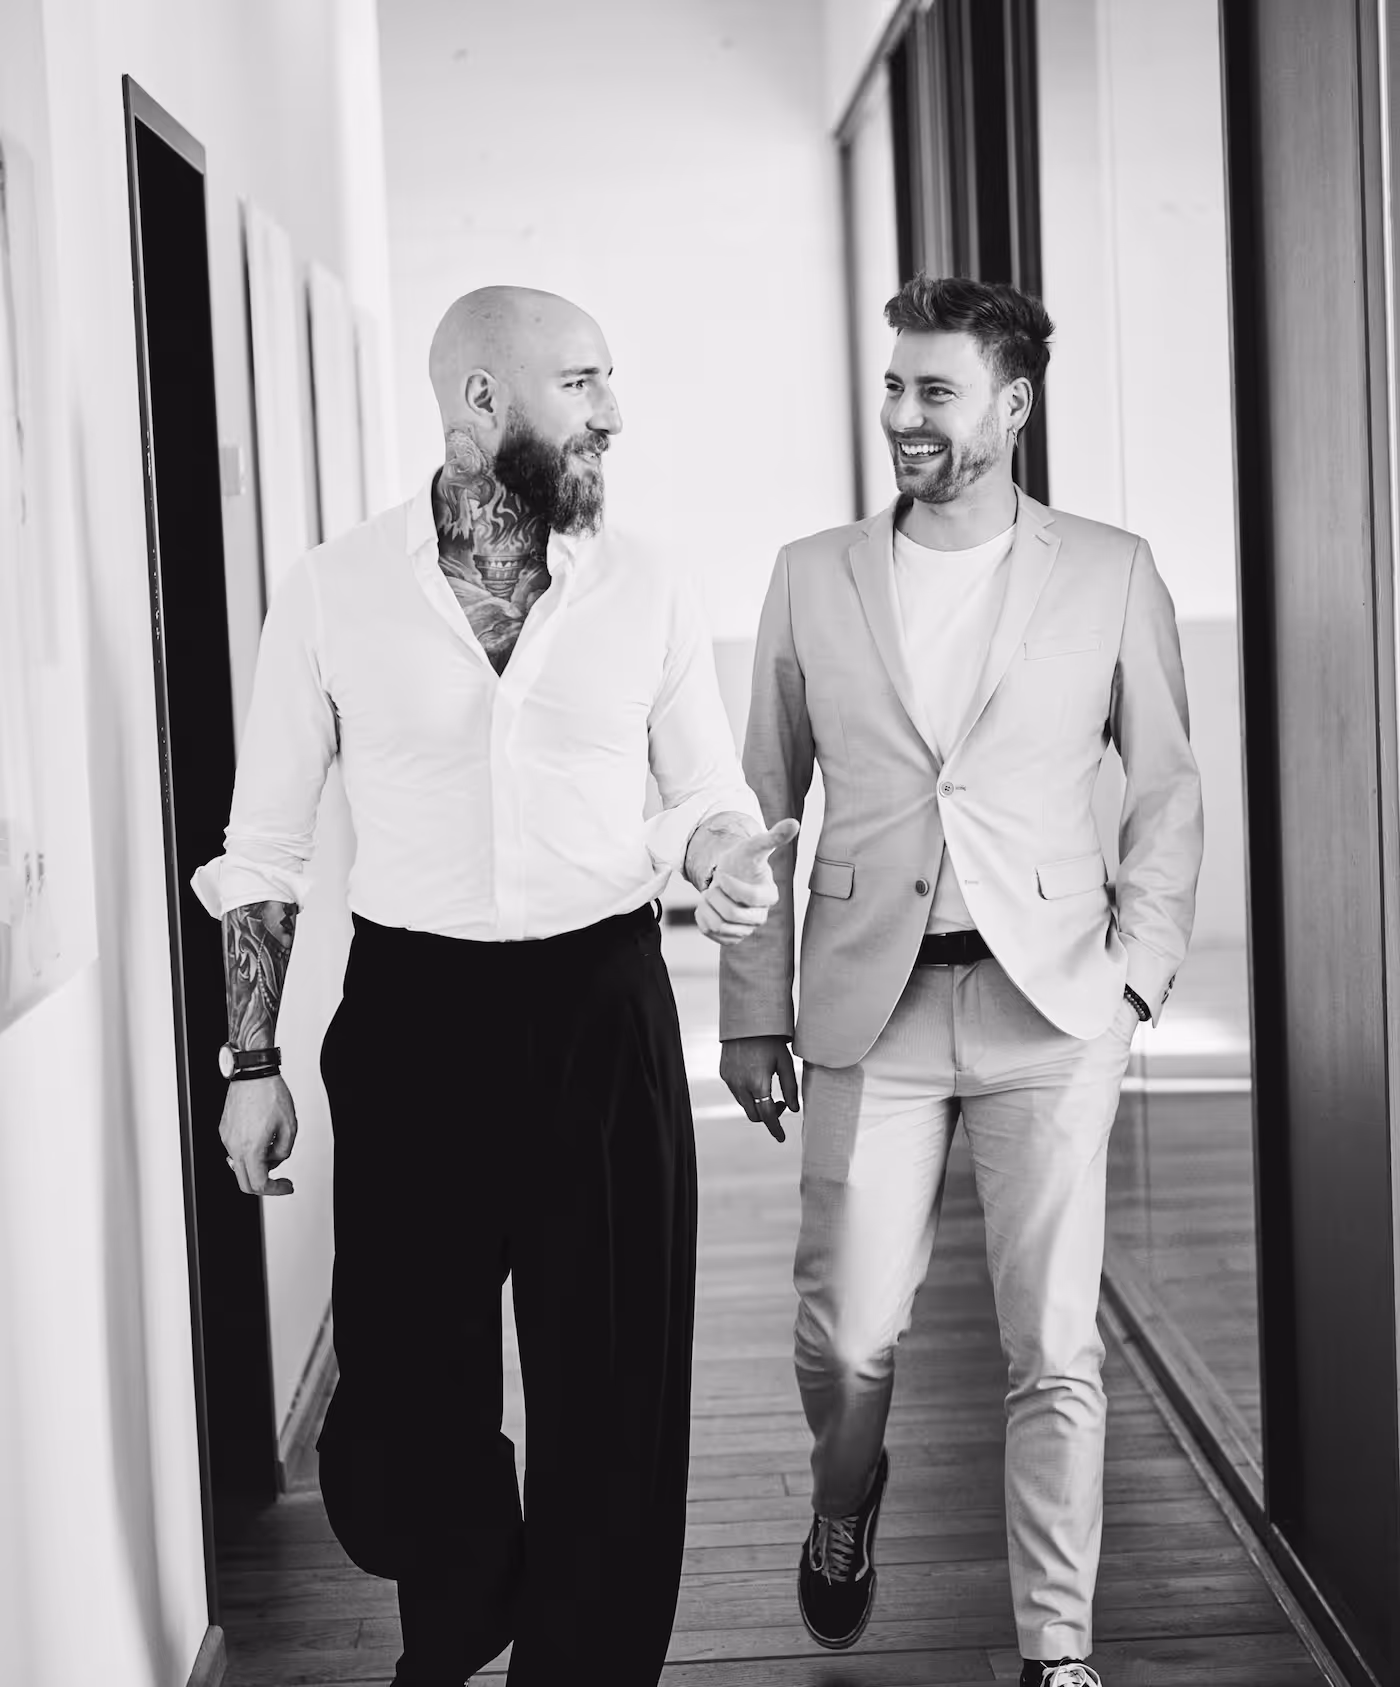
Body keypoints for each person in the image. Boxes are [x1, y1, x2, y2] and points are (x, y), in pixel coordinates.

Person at [194, 285, 797, 1687]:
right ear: (481, 397)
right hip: (414, 1023)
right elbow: (265, 849)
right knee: (399, 1411)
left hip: (604, 1009)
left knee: (614, 1396)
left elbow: (701, 789)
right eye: (582, 382)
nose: (613, 413)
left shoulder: (646, 582)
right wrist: (252, 1064)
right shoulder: (335, 589)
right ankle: (468, 1588)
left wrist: (721, 855)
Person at [718, 274, 1203, 1687]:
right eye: (894, 386)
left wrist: (1136, 978)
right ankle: (845, 1492)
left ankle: (1059, 1649)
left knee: (1054, 1346)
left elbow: (1167, 789)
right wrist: (750, 1010)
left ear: (1013, 405)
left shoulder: (1111, 570)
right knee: (847, 1341)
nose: (905, 414)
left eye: (936, 389)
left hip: (1051, 1006)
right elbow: (760, 802)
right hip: (867, 1009)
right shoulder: (812, 573)